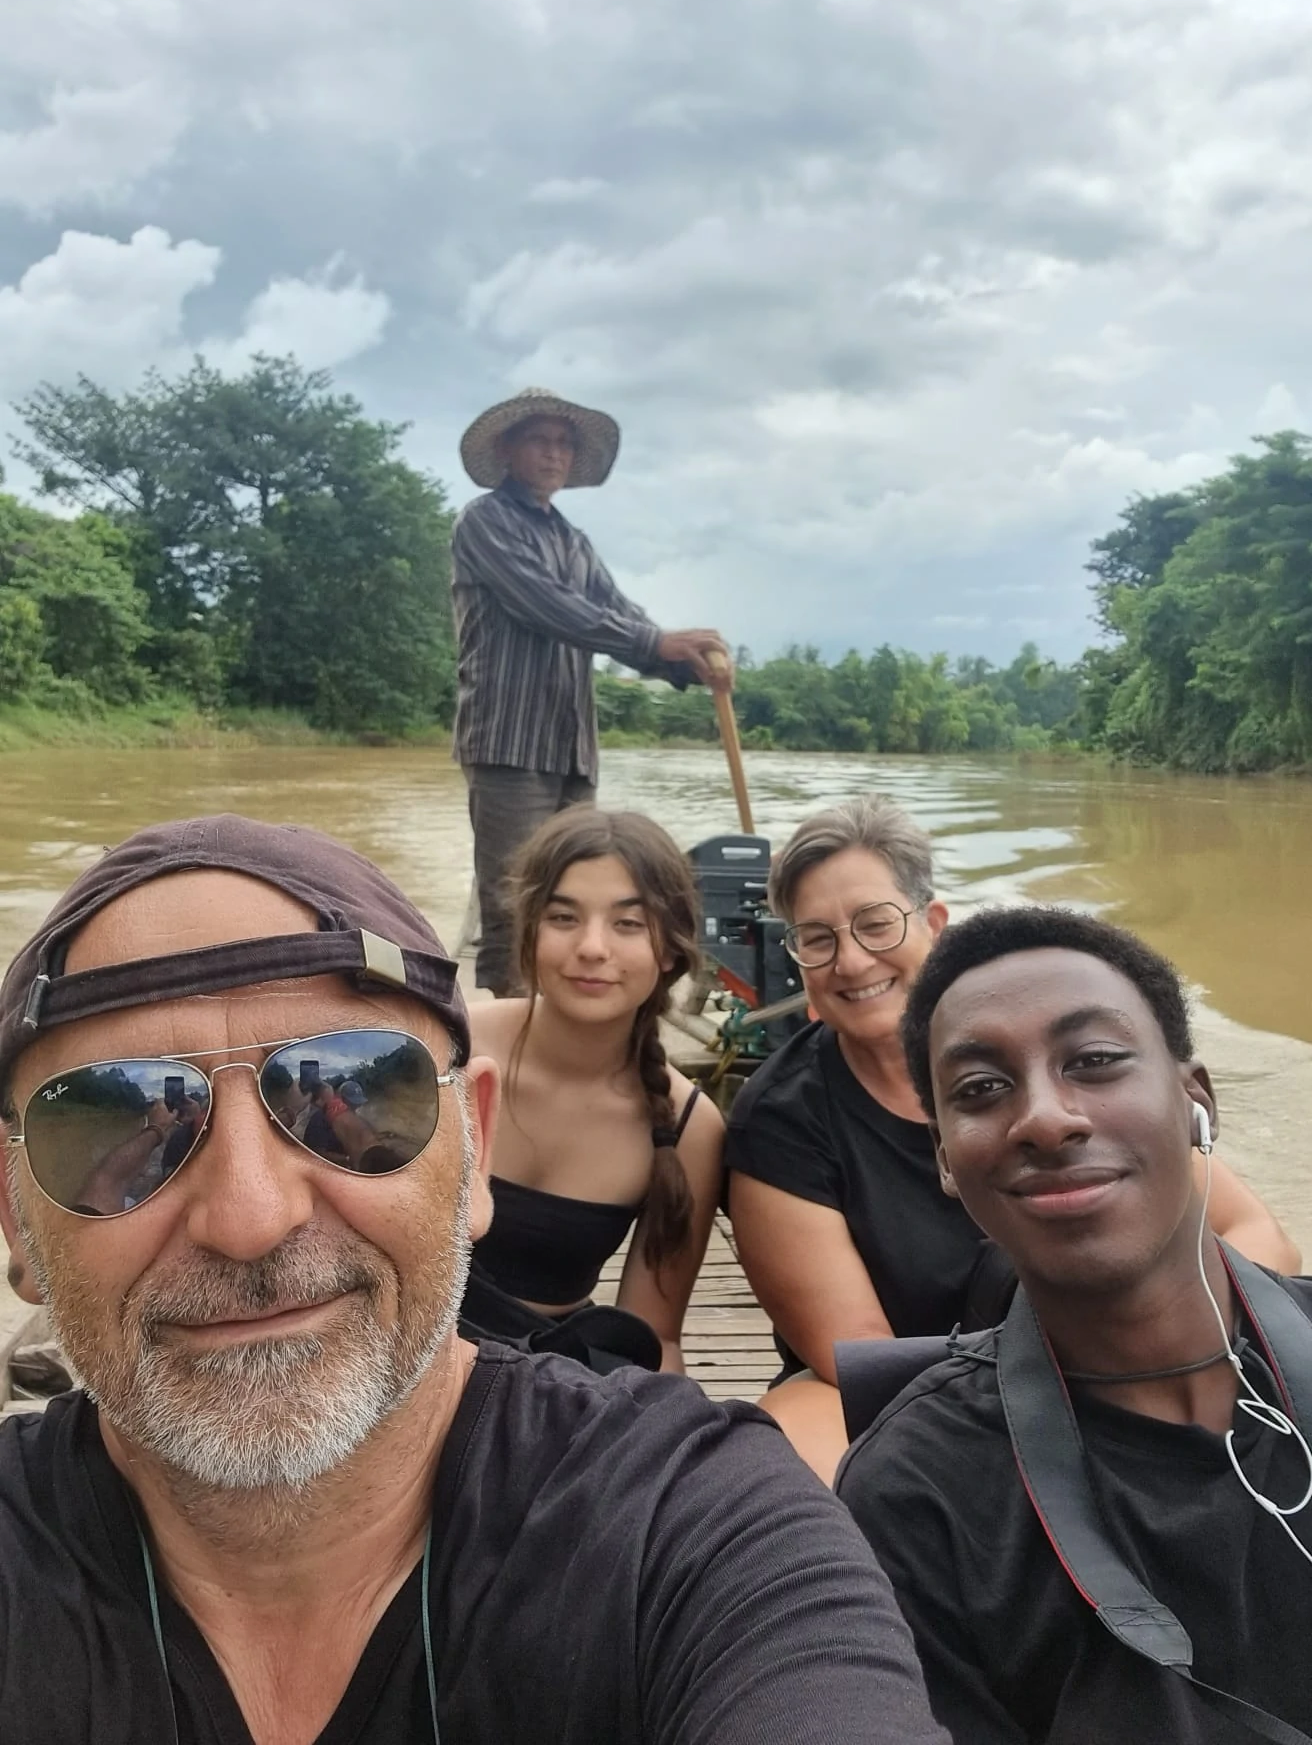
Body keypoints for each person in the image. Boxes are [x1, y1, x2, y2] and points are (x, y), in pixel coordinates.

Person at [0, 814, 948, 1745]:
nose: (250, 1221)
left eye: (358, 1086)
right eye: (105, 1114)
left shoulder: (697, 1530)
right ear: (14, 1212)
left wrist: (648, 1460)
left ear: (474, 1140)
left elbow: (656, 1338)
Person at [838, 906, 1312, 1745]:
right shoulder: (918, 1500)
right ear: (945, 1156)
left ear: (1197, 1100)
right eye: (982, 1090)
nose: (1045, 1119)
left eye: (1094, 1061)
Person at [725, 795, 1302, 1483]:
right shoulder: (784, 1116)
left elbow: (1263, 1241)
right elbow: (861, 1350)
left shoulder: (1043, 1058)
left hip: (1109, 1353)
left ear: (932, 923)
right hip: (915, 1383)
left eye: (876, 925)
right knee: (793, 1453)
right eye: (818, 938)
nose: (851, 961)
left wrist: (1156, 1334)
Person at [452, 387, 733, 997]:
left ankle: (563, 1025)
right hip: (509, 743)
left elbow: (617, 611)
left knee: (573, 896)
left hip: (571, 747)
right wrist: (656, 642)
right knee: (512, 905)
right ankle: (509, 1046)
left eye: (563, 443)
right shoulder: (485, 521)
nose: (553, 454)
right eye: (540, 440)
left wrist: (687, 664)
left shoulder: (575, 542)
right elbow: (550, 607)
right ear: (507, 449)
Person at [465, 807, 725, 1375]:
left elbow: (654, 1338)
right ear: (530, 929)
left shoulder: (688, 1129)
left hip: (543, 1385)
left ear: (670, 949)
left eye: (628, 924)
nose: (592, 947)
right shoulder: (452, 1043)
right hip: (395, 1358)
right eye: (563, 917)